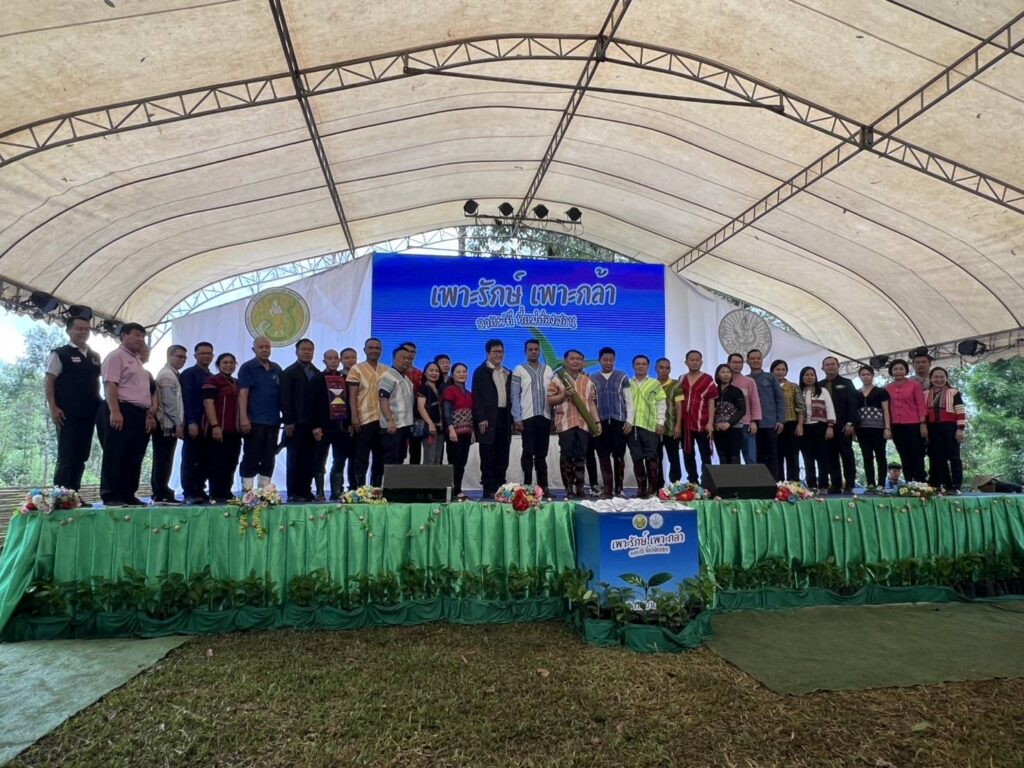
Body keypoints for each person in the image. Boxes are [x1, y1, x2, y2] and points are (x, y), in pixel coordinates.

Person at [45, 314, 101, 495]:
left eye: (86, 329)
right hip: (66, 413)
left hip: (89, 413)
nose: (83, 332)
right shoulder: (59, 353)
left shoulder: (94, 356)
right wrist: (53, 408)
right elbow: (49, 381)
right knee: (66, 455)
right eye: (79, 328)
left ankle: (74, 495)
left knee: (82, 455)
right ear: (69, 330)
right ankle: (60, 497)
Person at [99, 323, 151, 507]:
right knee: (116, 453)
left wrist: (148, 414)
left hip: (139, 412)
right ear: (123, 336)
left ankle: (128, 493)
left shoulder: (137, 361)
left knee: (134, 455)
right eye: (136, 335)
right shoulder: (116, 356)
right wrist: (115, 411)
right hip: (121, 408)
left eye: (142, 336)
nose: (140, 339)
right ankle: (111, 494)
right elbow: (110, 385)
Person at [547, 349, 600, 499]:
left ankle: (580, 488)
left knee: (580, 456)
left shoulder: (587, 381)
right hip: (565, 423)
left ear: (583, 362)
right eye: (572, 359)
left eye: (579, 359)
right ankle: (569, 489)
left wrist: (596, 422)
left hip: (584, 424)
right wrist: (563, 395)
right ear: (565, 361)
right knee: (567, 456)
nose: (576, 361)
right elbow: (550, 400)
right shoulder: (557, 379)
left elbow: (591, 403)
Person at [279, 338, 327, 502]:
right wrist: (288, 421)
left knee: (310, 459)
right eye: (304, 349)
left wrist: (318, 425)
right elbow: (285, 399)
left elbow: (321, 402)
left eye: (310, 350)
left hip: (312, 425)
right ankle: (294, 492)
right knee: (295, 459)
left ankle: (306, 491)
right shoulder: (289, 372)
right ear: (297, 351)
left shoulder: (318, 373)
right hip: (295, 424)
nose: (307, 352)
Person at [237, 336, 282, 492]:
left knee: (269, 456)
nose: (264, 349)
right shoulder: (247, 368)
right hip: (254, 420)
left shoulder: (276, 368)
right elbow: (243, 394)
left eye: (267, 347)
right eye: (261, 347)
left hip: (273, 421)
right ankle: (247, 493)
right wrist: (243, 418)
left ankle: (265, 493)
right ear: (253, 349)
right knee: (251, 456)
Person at [511, 338, 554, 493]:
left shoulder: (548, 370)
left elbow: (553, 394)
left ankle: (543, 487)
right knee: (528, 452)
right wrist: (517, 418)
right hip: (527, 417)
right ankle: (528, 485)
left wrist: (554, 417)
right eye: (530, 349)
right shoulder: (519, 370)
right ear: (525, 352)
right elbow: (515, 396)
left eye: (536, 349)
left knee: (542, 454)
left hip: (545, 416)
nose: (534, 352)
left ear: (539, 351)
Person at [472, 339, 512, 498]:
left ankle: (501, 486)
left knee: (503, 453)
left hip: (504, 417)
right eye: (495, 352)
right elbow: (476, 397)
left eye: (501, 352)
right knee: (487, 454)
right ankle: (488, 487)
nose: (498, 355)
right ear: (488, 353)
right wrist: (480, 418)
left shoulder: (507, 372)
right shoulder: (480, 371)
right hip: (487, 419)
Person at [591, 347, 634, 498]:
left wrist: (629, 420)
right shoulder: (592, 378)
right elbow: (590, 402)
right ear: (599, 361)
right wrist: (593, 422)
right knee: (603, 456)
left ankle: (619, 489)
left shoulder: (622, 376)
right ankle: (608, 490)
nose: (608, 362)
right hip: (600, 423)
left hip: (619, 422)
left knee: (619, 456)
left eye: (611, 360)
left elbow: (629, 400)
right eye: (605, 360)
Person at [202, 353, 242, 503]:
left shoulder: (237, 382)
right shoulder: (212, 381)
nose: (228, 365)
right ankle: (216, 493)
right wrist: (215, 425)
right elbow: (208, 403)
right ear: (218, 365)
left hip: (234, 430)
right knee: (217, 462)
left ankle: (226, 492)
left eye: (231, 363)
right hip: (218, 429)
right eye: (225, 362)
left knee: (231, 462)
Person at [315, 348, 353, 500]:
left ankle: (336, 491)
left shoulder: (345, 378)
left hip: (341, 427)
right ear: (324, 361)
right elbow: (313, 404)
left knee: (340, 460)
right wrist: (316, 426)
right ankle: (319, 492)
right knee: (320, 459)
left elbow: (349, 403)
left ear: (339, 361)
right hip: (323, 427)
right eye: (329, 358)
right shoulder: (318, 378)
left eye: (335, 358)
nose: (333, 361)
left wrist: (350, 423)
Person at [150, 344, 187, 505]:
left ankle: (161, 490)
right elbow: (169, 402)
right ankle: (160, 492)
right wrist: (178, 423)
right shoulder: (167, 375)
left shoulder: (173, 374)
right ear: (169, 356)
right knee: (162, 458)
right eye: (179, 356)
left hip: (168, 423)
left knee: (165, 458)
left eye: (184, 357)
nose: (182, 360)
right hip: (166, 424)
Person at [348, 338, 386, 487]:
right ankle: (360, 489)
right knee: (361, 457)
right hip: (364, 419)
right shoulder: (356, 369)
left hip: (382, 420)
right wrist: (354, 417)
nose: (374, 351)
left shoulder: (386, 370)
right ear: (364, 350)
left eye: (377, 348)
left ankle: (375, 489)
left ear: (381, 351)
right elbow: (352, 395)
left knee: (380, 457)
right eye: (371, 348)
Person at [180, 341, 214, 504]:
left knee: (204, 458)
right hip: (194, 423)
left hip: (207, 425)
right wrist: (191, 422)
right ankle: (189, 492)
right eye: (202, 353)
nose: (206, 356)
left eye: (209, 353)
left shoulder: (211, 376)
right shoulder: (189, 374)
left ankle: (200, 489)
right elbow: (186, 399)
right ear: (195, 355)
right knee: (191, 458)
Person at [628, 355, 666, 498]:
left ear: (648, 367)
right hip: (632, 426)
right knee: (637, 458)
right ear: (633, 366)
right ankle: (641, 489)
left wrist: (660, 422)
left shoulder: (654, 384)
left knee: (651, 457)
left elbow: (661, 404)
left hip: (650, 426)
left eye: (643, 364)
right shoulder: (628, 383)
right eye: (638, 364)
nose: (640, 366)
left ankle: (652, 490)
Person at [924, 367, 967, 491]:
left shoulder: (953, 392)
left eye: (942, 377)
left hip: (950, 427)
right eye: (935, 377)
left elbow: (960, 410)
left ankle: (956, 485)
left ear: (946, 378)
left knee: (954, 456)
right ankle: (947, 485)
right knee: (938, 456)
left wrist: (960, 428)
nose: (939, 379)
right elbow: (923, 413)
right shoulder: (925, 393)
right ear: (930, 379)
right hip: (932, 428)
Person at [676, 350, 715, 484]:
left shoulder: (708, 379)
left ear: (701, 362)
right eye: (691, 360)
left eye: (697, 360)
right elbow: (678, 400)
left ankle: (707, 482)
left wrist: (710, 422)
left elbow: (711, 402)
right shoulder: (681, 378)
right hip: (685, 424)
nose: (694, 362)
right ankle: (692, 482)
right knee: (688, 453)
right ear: (686, 362)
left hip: (702, 423)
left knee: (705, 454)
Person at [820, 356, 858, 492]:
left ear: (838, 366)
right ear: (822, 368)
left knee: (847, 455)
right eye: (827, 364)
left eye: (832, 364)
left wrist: (851, 423)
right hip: (826, 427)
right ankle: (836, 485)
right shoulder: (819, 385)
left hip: (844, 426)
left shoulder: (847, 383)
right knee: (830, 456)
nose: (830, 366)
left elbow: (853, 404)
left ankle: (850, 485)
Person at [885, 359, 927, 482]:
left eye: (901, 369)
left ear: (906, 370)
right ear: (891, 371)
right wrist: (887, 427)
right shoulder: (887, 388)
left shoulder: (915, 385)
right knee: (903, 454)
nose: (898, 371)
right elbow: (885, 408)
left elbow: (920, 405)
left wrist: (923, 424)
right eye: (895, 369)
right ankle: (909, 482)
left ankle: (921, 482)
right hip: (896, 425)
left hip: (913, 425)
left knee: (917, 454)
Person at [746, 349, 785, 479]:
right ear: (747, 361)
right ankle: (759, 483)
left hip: (770, 423)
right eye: (753, 359)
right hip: (752, 425)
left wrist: (780, 420)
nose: (756, 361)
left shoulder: (771, 377)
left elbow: (779, 399)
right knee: (756, 456)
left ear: (762, 360)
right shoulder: (746, 379)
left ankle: (774, 483)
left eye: (758, 358)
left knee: (772, 455)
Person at [797, 365, 835, 491]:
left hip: (820, 427)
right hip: (804, 428)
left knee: (822, 457)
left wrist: (830, 426)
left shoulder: (823, 391)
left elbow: (830, 408)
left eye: (812, 375)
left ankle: (823, 486)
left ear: (815, 377)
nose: (809, 377)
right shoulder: (798, 391)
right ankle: (811, 486)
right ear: (802, 377)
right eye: (806, 375)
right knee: (808, 458)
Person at [854, 365, 891, 489]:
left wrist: (887, 428)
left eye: (868, 374)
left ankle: (881, 484)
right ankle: (870, 484)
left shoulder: (881, 391)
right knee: (867, 457)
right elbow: (854, 412)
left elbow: (886, 410)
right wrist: (854, 430)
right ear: (859, 377)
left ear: (872, 376)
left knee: (881, 456)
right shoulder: (856, 393)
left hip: (878, 429)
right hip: (862, 429)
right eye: (863, 374)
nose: (865, 377)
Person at [379, 345, 416, 465]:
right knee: (391, 459)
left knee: (400, 458)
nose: (406, 361)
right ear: (394, 358)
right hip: (393, 426)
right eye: (403, 358)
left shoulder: (406, 379)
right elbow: (383, 399)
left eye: (408, 358)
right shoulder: (388, 376)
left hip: (404, 426)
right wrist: (389, 420)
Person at [769, 359, 805, 482]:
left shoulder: (793, 386)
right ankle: (779, 484)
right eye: (777, 369)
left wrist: (800, 425)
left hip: (791, 424)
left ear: (786, 371)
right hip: (774, 425)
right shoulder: (768, 386)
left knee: (792, 455)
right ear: (772, 371)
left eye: (783, 369)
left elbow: (801, 407)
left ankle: (793, 484)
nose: (780, 372)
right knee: (776, 456)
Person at [443, 363, 474, 498]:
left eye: (464, 372)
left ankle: (458, 489)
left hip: (467, 434)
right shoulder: (449, 390)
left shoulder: (469, 394)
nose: (462, 374)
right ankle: (452, 491)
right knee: (454, 462)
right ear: (452, 374)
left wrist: (472, 432)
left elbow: (471, 414)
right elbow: (447, 411)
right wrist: (451, 429)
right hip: (454, 433)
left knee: (462, 462)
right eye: (458, 372)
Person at [726, 353, 762, 464]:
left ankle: (753, 476)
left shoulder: (749, 381)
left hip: (746, 425)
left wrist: (754, 421)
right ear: (728, 363)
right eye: (734, 362)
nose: (737, 365)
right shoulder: (723, 382)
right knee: (732, 459)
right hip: (728, 426)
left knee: (750, 458)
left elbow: (755, 402)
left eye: (740, 362)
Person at [711, 364, 745, 465]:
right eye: (723, 372)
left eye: (728, 372)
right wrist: (715, 424)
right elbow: (709, 410)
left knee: (734, 456)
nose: (726, 374)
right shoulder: (713, 391)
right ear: (717, 375)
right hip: (718, 429)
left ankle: (735, 476)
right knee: (722, 456)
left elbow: (742, 410)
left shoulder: (737, 391)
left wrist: (729, 423)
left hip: (734, 428)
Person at [655, 358, 682, 486]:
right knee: (656, 457)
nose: (664, 370)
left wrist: (678, 426)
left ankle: (675, 485)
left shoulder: (676, 384)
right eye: (661, 367)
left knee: (674, 457)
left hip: (671, 427)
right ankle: (658, 486)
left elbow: (679, 406)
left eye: (667, 368)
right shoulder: (652, 385)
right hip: (654, 428)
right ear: (656, 369)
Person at [417, 362, 446, 465]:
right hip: (430, 429)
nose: (434, 373)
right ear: (425, 373)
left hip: (440, 430)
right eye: (431, 370)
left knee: (437, 460)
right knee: (430, 459)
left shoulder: (439, 389)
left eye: (437, 371)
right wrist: (430, 423)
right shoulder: (423, 388)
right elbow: (420, 407)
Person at [402, 342, 424, 464]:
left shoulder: (420, 374)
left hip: (416, 417)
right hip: (399, 417)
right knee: (398, 451)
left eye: (413, 352)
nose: (410, 354)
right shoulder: (393, 373)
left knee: (415, 450)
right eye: (407, 351)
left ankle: (415, 475)